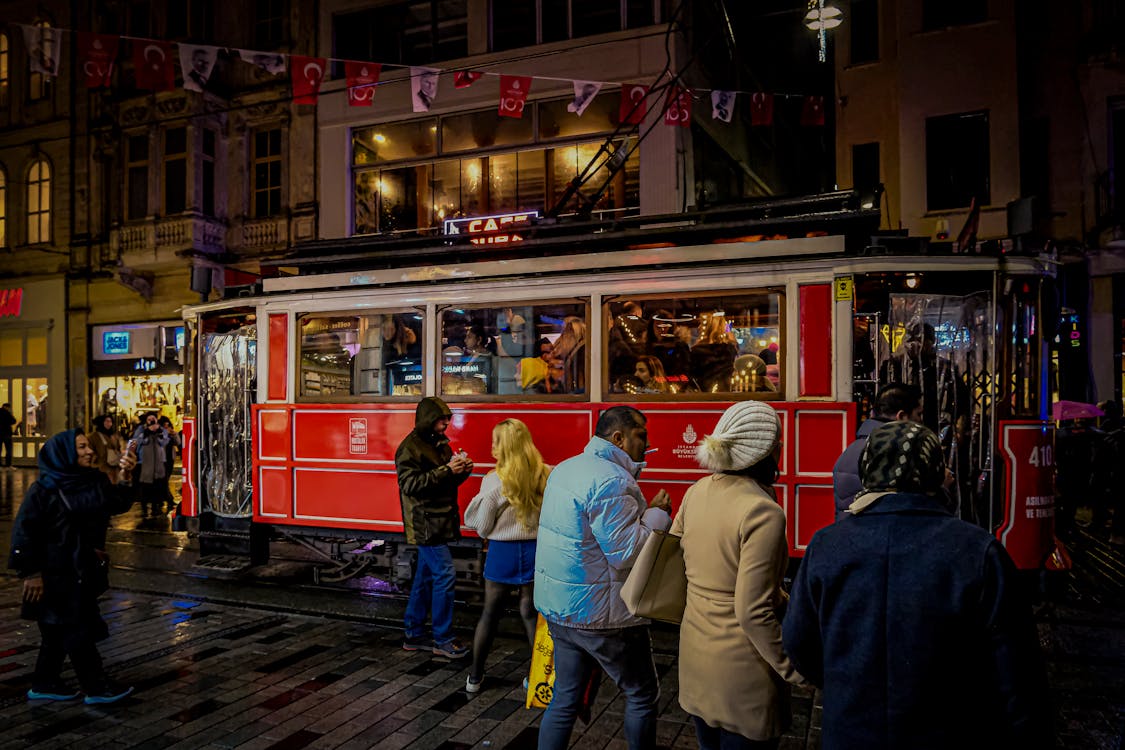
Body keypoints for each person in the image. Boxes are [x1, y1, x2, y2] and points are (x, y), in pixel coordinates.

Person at [783, 421, 1053, 750]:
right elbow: (1017, 671)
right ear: (935, 473)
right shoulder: (977, 551)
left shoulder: (827, 545)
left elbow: (798, 640)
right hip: (949, 732)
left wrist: (845, 679)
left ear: (868, 468)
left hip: (850, 730)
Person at [534, 405, 672, 750]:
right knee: (641, 694)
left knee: (565, 697)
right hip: (604, 616)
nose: (648, 442)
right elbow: (626, 553)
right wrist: (657, 514)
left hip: (562, 610)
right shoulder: (612, 480)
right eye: (642, 434)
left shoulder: (567, 469)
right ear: (619, 438)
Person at [672, 401, 807, 749]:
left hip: (696, 654)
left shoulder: (696, 491)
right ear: (768, 450)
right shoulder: (762, 511)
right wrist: (793, 669)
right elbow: (753, 611)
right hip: (743, 670)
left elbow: (679, 561)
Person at [8, 428, 138, 704]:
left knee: (56, 631)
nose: (90, 451)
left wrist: (126, 477)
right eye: (81, 447)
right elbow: (24, 532)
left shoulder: (94, 480)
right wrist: (30, 573)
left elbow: (115, 504)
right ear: (63, 452)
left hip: (83, 569)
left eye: (88, 446)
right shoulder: (44, 489)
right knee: (77, 628)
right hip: (55, 571)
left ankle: (45, 682)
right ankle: (97, 687)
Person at [463, 419, 550, 693]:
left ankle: (475, 678)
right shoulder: (546, 474)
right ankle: (537, 679)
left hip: (502, 552)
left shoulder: (493, 480)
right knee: (530, 613)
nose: (491, 447)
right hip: (537, 550)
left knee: (490, 613)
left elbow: (481, 525)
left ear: (506, 446)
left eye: (495, 441)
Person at [396, 397, 473, 659]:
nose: (446, 424)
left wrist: (461, 470)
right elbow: (410, 485)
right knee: (445, 575)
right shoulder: (410, 448)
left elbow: (444, 480)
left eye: (447, 420)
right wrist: (447, 470)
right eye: (442, 420)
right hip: (424, 522)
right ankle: (442, 638)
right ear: (429, 419)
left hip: (437, 519)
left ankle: (414, 634)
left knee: (426, 577)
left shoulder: (439, 444)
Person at [832, 384, 922, 521]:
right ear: (902, 416)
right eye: (918, 414)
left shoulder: (853, 448)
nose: (920, 421)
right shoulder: (895, 453)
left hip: (854, 535)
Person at [135, 412, 171, 516]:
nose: (151, 420)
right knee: (145, 485)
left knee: (158, 485)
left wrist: (159, 432)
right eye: (149, 418)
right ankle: (144, 507)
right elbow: (137, 442)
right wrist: (147, 432)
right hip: (145, 461)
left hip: (159, 461)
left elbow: (164, 442)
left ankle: (156, 507)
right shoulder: (141, 429)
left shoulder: (160, 429)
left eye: (153, 418)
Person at [691, 313, 738, 392]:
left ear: (707, 328)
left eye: (701, 324)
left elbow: (692, 376)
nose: (699, 327)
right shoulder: (730, 350)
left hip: (703, 395)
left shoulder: (697, 351)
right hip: (725, 394)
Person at [87, 415, 123, 482]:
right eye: (107, 421)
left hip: (114, 469)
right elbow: (89, 452)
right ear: (101, 422)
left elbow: (118, 449)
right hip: (100, 470)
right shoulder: (93, 437)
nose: (109, 424)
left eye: (111, 422)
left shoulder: (113, 436)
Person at [158, 416, 182, 511]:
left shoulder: (171, 433)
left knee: (166, 479)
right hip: (161, 460)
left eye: (168, 426)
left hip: (170, 459)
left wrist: (174, 434)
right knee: (164, 480)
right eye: (165, 426)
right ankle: (169, 499)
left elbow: (178, 442)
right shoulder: (159, 434)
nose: (167, 428)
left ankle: (164, 499)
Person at [0, 402, 16, 469]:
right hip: (6, 433)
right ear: (7, 407)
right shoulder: (7, 413)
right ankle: (8, 465)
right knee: (8, 450)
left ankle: (0, 466)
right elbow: (13, 421)